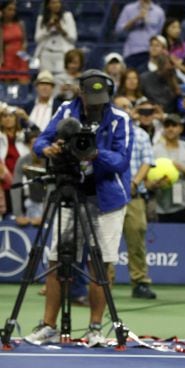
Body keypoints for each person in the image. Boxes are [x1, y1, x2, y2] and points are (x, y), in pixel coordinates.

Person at [23, 70, 133, 346]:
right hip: (70, 192)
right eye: (91, 98)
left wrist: (95, 153)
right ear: (80, 93)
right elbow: (41, 141)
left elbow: (121, 161)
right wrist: (46, 149)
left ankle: (95, 328)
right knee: (58, 258)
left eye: (101, 99)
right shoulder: (65, 109)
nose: (96, 104)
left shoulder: (120, 119)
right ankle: (48, 324)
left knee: (100, 264)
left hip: (106, 199)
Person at [113, 95, 157, 300]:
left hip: (133, 195)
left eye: (128, 107)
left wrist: (133, 183)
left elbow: (147, 162)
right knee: (106, 241)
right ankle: (105, 282)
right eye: (121, 106)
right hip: (109, 195)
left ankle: (140, 282)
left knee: (137, 238)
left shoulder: (140, 135)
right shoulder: (106, 134)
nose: (125, 109)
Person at [149, 114, 185, 223]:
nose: (170, 128)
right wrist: (155, 184)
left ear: (181, 128)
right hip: (162, 206)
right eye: (167, 126)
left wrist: (183, 169)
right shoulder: (154, 150)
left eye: (174, 125)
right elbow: (147, 181)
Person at [115, 0, 165, 69]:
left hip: (150, 54)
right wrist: (136, 19)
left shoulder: (159, 12)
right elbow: (119, 30)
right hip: (132, 53)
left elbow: (159, 34)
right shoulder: (128, 9)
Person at [33, 0, 76, 76]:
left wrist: (61, 30)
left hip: (62, 53)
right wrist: (48, 29)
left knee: (61, 78)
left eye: (58, 2)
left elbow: (73, 38)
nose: (57, 5)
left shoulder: (67, 16)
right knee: (46, 78)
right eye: (53, 3)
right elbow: (37, 39)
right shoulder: (41, 19)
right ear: (48, 5)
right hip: (46, 53)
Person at [0, 0, 29, 83]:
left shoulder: (20, 24)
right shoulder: (1, 27)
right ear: (3, 10)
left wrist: (24, 50)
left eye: (14, 10)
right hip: (7, 58)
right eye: (9, 9)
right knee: (7, 84)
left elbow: (25, 41)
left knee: (24, 81)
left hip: (21, 56)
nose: (12, 12)